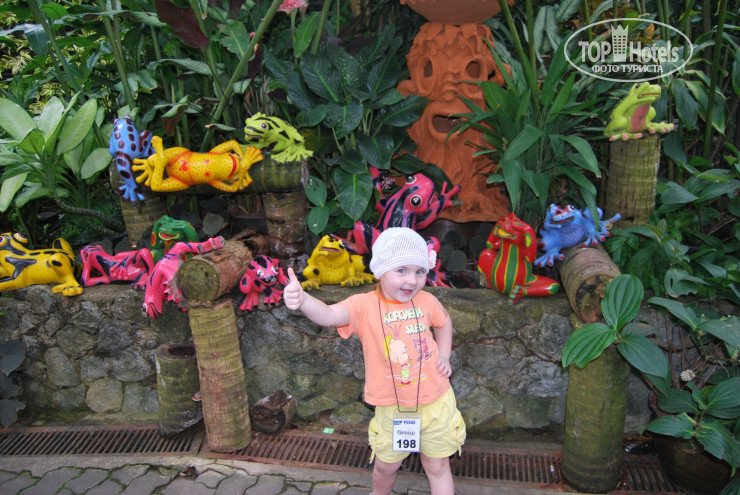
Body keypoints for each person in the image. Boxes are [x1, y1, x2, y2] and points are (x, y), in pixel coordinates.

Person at [283, 227, 466, 495]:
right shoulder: (364, 305)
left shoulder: (426, 301)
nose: (412, 280)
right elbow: (329, 315)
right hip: (393, 409)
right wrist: (303, 300)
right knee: (386, 467)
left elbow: (444, 321)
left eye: (419, 271)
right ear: (380, 270)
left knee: (437, 466)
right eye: (401, 270)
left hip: (437, 402)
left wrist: (445, 354)